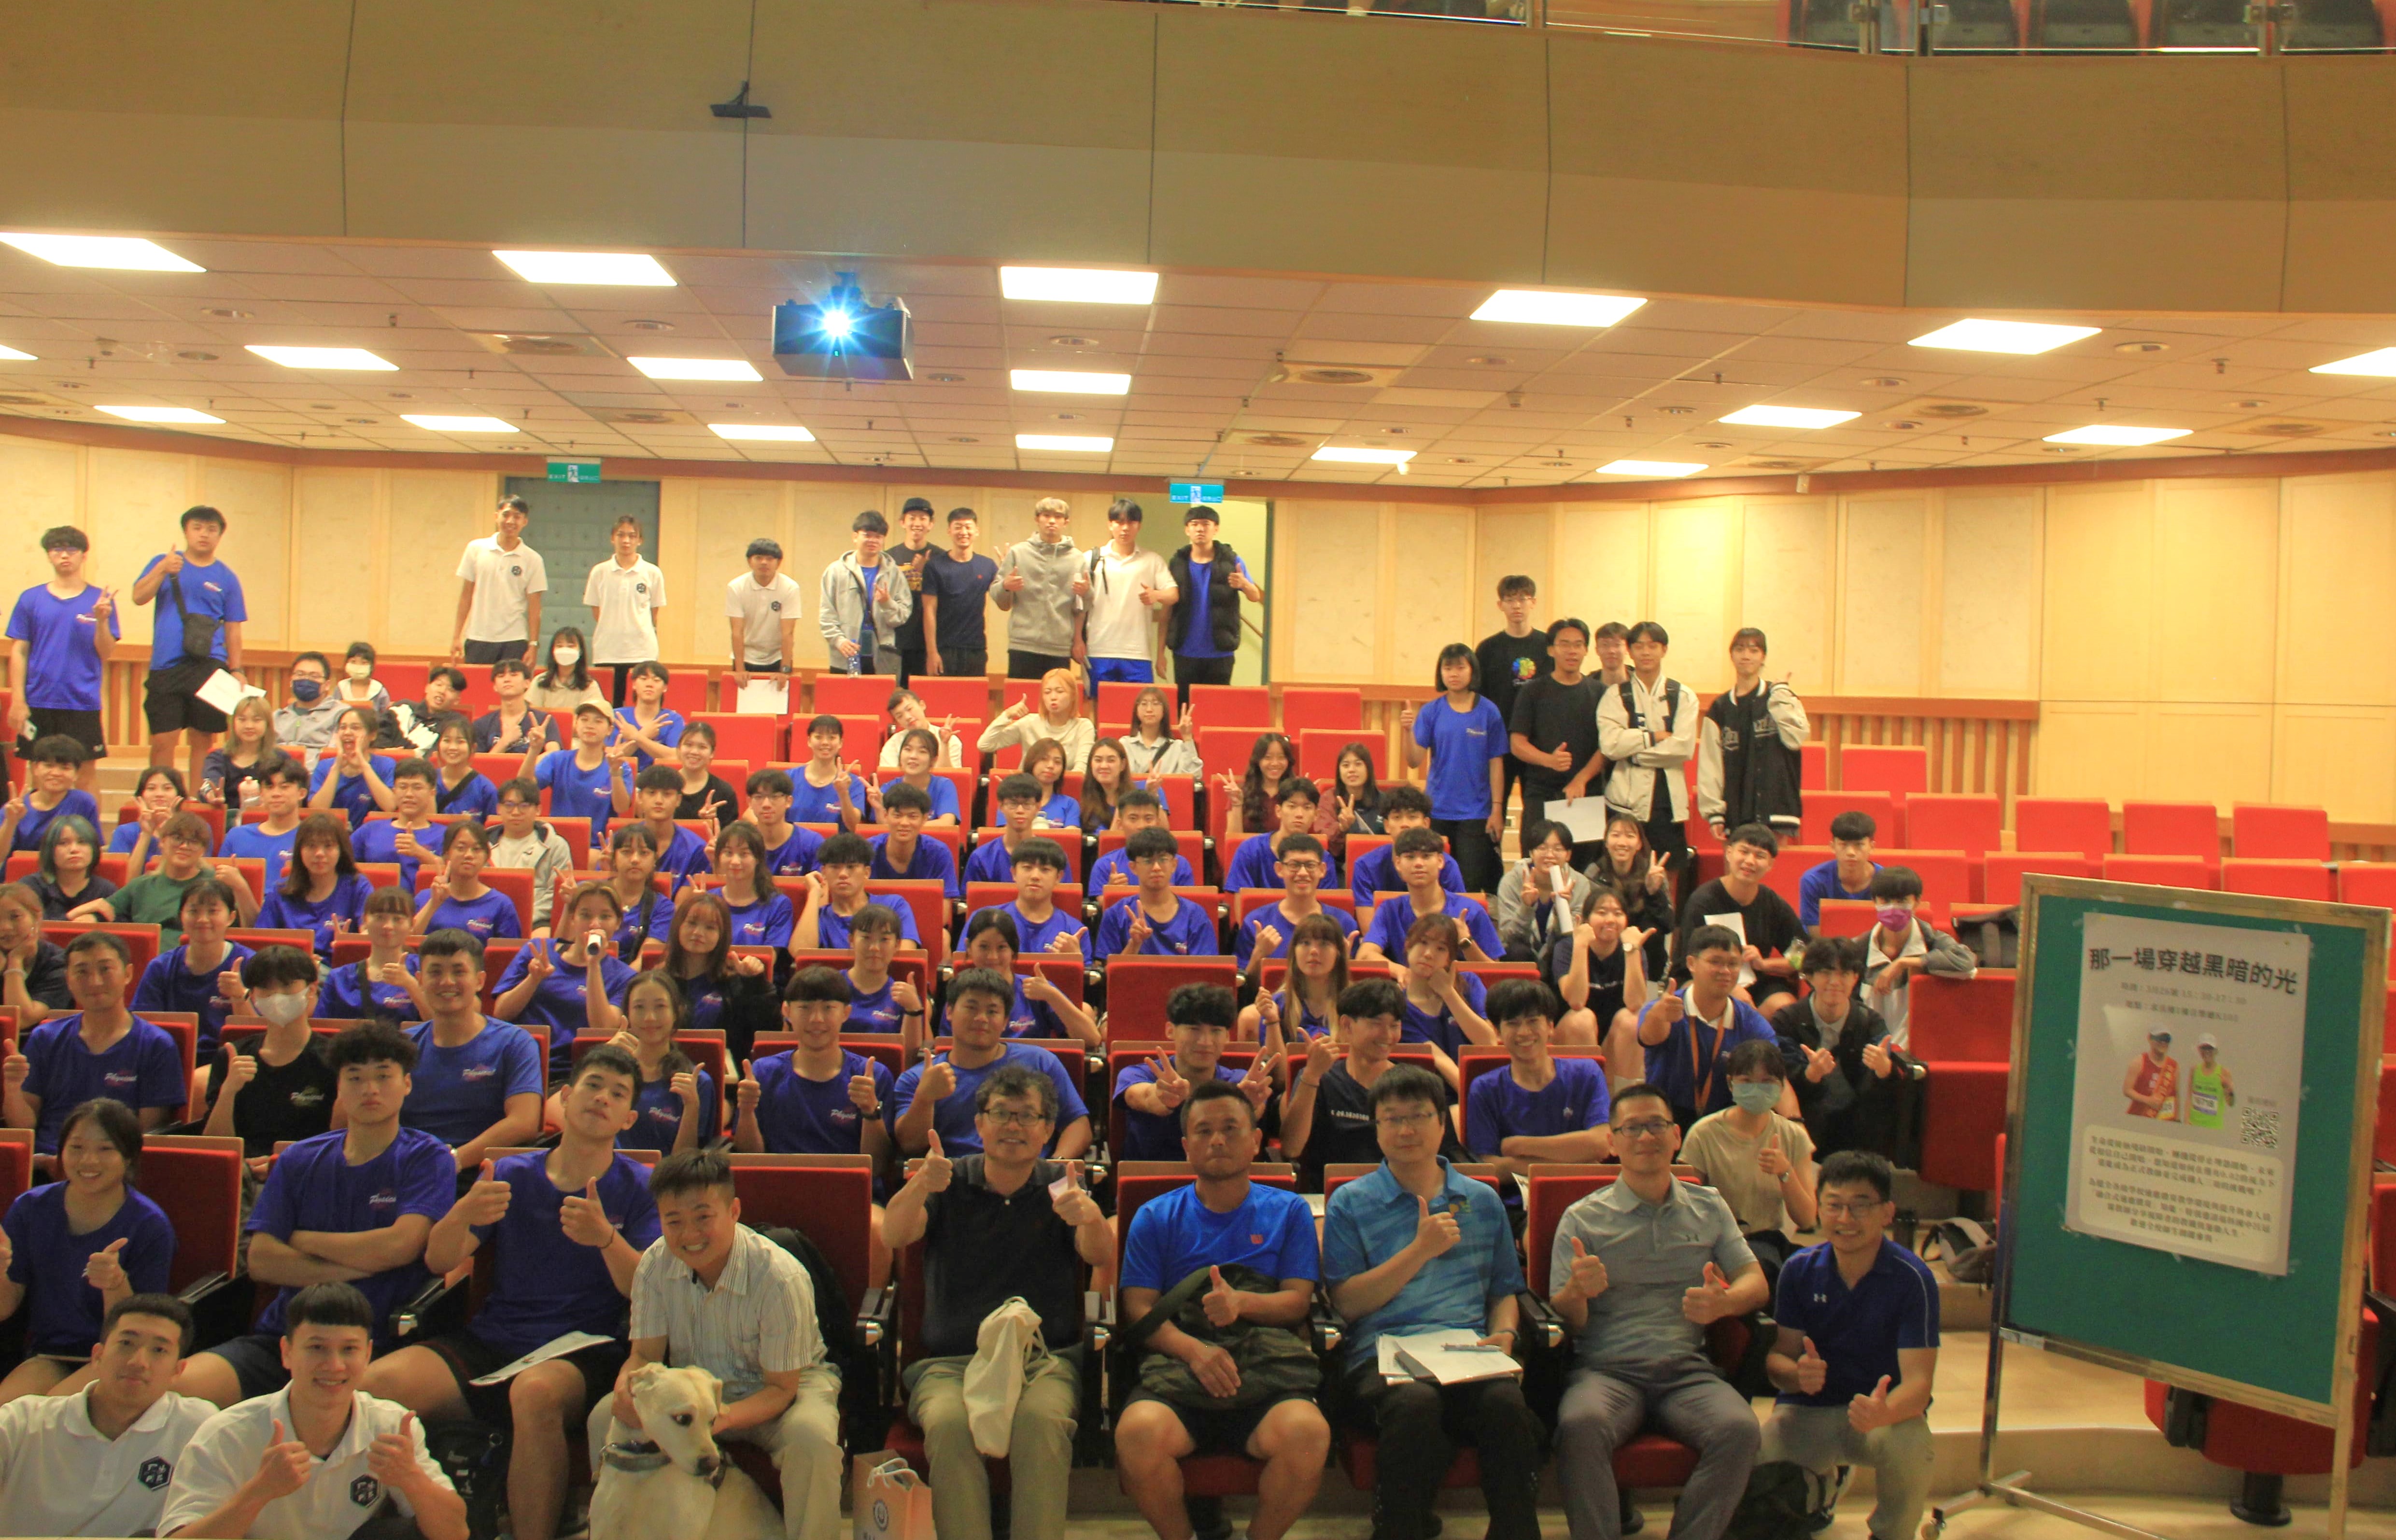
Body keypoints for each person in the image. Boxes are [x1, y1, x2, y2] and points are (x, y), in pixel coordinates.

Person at [365, 1046, 659, 1540]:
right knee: (374, 1384)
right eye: (593, 1085)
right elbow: (439, 1260)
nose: (601, 1098)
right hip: (495, 1339)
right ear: (566, 1098)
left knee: (534, 1393)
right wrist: (462, 1213)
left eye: (617, 1093)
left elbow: (646, 1290)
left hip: (584, 1348)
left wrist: (606, 1239)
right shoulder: (510, 1173)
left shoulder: (642, 1185)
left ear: (629, 1117)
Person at [882, 1065, 1111, 1540]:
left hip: (1043, 1361)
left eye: (1028, 1116)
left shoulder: (1061, 1184)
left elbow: (1100, 1256)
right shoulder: (948, 1180)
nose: (1013, 1126)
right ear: (979, 1123)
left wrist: (1090, 1218)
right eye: (1001, 1113)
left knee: (1041, 1423)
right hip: (950, 1363)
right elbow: (896, 1234)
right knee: (949, 1426)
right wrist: (920, 1184)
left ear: (1048, 1129)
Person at [175, 1022, 454, 1409]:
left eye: (383, 1076)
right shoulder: (299, 1159)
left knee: (332, 1410)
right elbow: (263, 1260)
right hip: (284, 1340)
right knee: (177, 1390)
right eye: (355, 1078)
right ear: (338, 1086)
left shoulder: (428, 1157)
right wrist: (364, 1264)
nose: (370, 1089)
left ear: (406, 1084)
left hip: (375, 1345)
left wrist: (302, 1240)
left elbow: (400, 1246)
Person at [1321, 1064, 1541, 1540]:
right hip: (1382, 1355)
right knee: (1415, 1404)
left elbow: (1504, 1289)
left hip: (1468, 1352)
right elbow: (1348, 1303)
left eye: (1419, 1116)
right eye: (1392, 1118)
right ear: (1376, 1128)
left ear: (1443, 1124)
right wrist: (1419, 1251)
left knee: (1506, 1404)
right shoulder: (1351, 1202)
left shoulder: (1482, 1199)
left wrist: (1504, 1334)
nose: (1406, 1130)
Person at [1550, 1080, 1770, 1540]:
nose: (1646, 1137)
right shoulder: (1582, 1218)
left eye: (1657, 1126)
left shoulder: (1709, 1205)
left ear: (1676, 1136)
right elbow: (1567, 1319)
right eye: (1632, 1128)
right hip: (1607, 1371)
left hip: (1686, 1371)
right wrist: (1576, 1291)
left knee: (1740, 1429)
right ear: (1612, 1142)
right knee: (1579, 1426)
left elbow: (1756, 1282)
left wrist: (1725, 1302)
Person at [589, 1148, 845, 1540]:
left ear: (734, 1211)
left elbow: (782, 1389)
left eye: (703, 1218)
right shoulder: (655, 1265)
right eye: (674, 1221)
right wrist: (627, 1389)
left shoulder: (779, 1277)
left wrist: (717, 1418)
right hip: (695, 1392)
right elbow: (644, 1355)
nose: (689, 1235)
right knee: (604, 1416)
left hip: (782, 1388)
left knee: (812, 1439)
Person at [1115, 1078, 1327, 1540]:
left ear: (1255, 1141)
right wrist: (1195, 1352)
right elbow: (1140, 1309)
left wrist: (1241, 1302)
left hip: (1265, 1367)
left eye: (1231, 1129)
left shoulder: (1289, 1211)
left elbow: (1296, 1302)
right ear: (1186, 1146)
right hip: (1179, 1368)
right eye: (1204, 1131)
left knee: (1308, 1434)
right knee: (1137, 1433)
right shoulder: (1155, 1216)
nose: (1217, 1140)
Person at [160, 1281, 465, 1540]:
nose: (334, 1366)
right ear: (287, 1352)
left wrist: (412, 1479)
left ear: (368, 1355)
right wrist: (259, 1492)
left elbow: (456, 1533)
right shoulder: (228, 1432)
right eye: (317, 1348)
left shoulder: (393, 1425)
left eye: (349, 1350)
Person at [1760, 1150, 1940, 1540]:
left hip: (1878, 1415)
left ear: (1887, 1212)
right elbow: (1779, 1358)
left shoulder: (1913, 1278)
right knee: (1764, 1453)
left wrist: (1884, 1411)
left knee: (1911, 1445)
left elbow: (1919, 1384)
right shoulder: (1799, 1270)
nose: (1845, 1219)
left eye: (1860, 1206)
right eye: (1834, 1205)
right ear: (1819, 1209)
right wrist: (1796, 1375)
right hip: (1809, 1411)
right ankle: (1818, 1496)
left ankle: (1891, 1534)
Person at [0, 1098, 174, 1402]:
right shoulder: (31, 1208)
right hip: (49, 1354)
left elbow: (141, 1330)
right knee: (8, 1413)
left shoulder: (150, 1225)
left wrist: (115, 1284)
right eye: (77, 1148)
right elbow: (5, 1307)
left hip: (116, 1358)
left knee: (54, 1415)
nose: (88, 1161)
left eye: (105, 1150)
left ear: (129, 1157)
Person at [0, 1293, 213, 1538]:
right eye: (126, 1344)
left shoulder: (198, 1426)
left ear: (178, 1370)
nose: (139, 1362)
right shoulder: (23, 1421)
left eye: (159, 1350)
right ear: (98, 1356)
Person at [4, 933, 185, 1157]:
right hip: (44, 1162)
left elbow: (146, 1136)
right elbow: (23, 1127)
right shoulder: (45, 1038)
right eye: (82, 972)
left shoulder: (156, 1045)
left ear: (128, 974)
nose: (95, 982)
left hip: (116, 1166)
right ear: (68, 979)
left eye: (105, 969)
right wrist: (13, 1088)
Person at [1280, 980, 1462, 1190]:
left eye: (1394, 1026)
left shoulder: (1416, 1084)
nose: (1388, 1036)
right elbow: (1292, 1149)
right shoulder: (1319, 1078)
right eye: (1377, 1024)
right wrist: (1312, 1076)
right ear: (1347, 1025)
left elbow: (1446, 1155)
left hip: (1404, 1194)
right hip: (1332, 1195)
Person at [890, 969, 1091, 1159]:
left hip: (1031, 1174)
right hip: (952, 1175)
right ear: (949, 1012)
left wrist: (1055, 1166)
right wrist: (925, 1098)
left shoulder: (1041, 1062)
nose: (981, 1019)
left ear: (1005, 1021)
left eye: (992, 1011)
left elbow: (1077, 1124)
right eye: (971, 1008)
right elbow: (909, 1145)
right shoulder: (918, 1078)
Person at [398, 930, 543, 1170]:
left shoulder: (515, 1042)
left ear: (480, 981)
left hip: (486, 1171)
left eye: (459, 972)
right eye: (435, 972)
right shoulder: (401, 1045)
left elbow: (523, 1123)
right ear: (420, 980)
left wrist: (452, 1160)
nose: (447, 982)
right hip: (410, 1168)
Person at [1680, 1038, 1818, 1281]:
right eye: (1747, 1081)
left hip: (1765, 1242)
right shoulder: (1703, 1134)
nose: (1756, 1089)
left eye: (1767, 1082)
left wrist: (1785, 1172)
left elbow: (1807, 1218)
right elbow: (1685, 1207)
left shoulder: (1793, 1136)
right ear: (1731, 1084)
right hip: (1714, 1241)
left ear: (1781, 1087)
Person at [131, 505, 248, 787]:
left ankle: (199, 800)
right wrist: (163, 569)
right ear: (186, 531)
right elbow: (138, 597)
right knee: (163, 738)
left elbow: (233, 628)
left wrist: (237, 669)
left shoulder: (227, 577)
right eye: (197, 528)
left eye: (211, 530)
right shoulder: (164, 562)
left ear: (220, 536)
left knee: (203, 738)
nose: (204, 535)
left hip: (210, 664)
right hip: (167, 664)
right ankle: (161, 797)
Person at [736, 964, 896, 1167]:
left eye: (828, 1008)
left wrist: (870, 1111)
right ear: (787, 1011)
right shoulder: (763, 1073)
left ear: (846, 1013)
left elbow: (879, 1166)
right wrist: (747, 1112)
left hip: (848, 1184)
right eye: (805, 1008)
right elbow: (749, 1161)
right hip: (779, 1181)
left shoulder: (872, 1076)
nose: (817, 1019)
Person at [1636, 924, 1788, 1131]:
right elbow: (1649, 1037)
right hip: (1665, 1121)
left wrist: (1795, 1122)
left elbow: (1775, 1077)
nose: (1725, 971)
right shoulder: (1664, 1009)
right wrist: (1660, 1017)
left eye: (1733, 964)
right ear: (1692, 963)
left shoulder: (1751, 1022)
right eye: (1715, 962)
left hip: (1727, 1124)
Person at [1464, 978, 1613, 1185]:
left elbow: (1601, 1144)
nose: (1524, 1032)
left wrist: (1518, 1146)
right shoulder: (1484, 1089)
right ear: (1498, 1032)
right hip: (1516, 1198)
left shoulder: (1587, 1073)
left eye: (1533, 1021)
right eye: (1513, 1024)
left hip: (1585, 1194)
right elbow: (1490, 1167)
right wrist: (1578, 1159)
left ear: (1550, 1026)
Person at [201, 946, 339, 1161]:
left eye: (287, 986)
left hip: (307, 1169)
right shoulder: (231, 1056)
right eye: (266, 988)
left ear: (311, 990)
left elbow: (341, 1141)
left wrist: (279, 1164)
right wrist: (228, 1092)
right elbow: (214, 1150)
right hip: (244, 1172)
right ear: (253, 995)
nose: (277, 997)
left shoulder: (335, 1060)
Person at [7, 525, 117, 792]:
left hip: (82, 702)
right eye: (58, 550)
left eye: (72, 550)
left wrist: (102, 621)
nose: (65, 556)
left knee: (85, 774)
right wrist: (18, 701)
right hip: (39, 700)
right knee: (40, 773)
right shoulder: (31, 599)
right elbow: (19, 651)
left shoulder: (100, 600)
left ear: (83, 556)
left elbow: (106, 652)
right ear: (49, 555)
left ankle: (86, 822)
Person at [493, 882, 639, 1080]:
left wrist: (593, 965)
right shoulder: (538, 950)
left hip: (575, 1072)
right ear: (573, 918)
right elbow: (501, 1013)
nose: (595, 924)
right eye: (586, 915)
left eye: (605, 917)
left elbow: (603, 1031)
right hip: (521, 1062)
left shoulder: (625, 976)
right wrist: (533, 980)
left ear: (618, 923)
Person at [1774, 938, 1902, 1161]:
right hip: (1805, 1123)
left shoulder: (1870, 1022)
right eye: (1826, 973)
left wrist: (1884, 1072)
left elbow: (1880, 1094)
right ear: (1809, 976)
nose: (1835, 982)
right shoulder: (1786, 1021)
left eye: (1844, 974)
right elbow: (1779, 1083)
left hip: (1857, 1128)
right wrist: (1809, 1076)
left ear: (1856, 978)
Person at [1596, 620, 1697, 901]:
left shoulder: (1683, 696)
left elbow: (1683, 748)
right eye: (1639, 646)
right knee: (1621, 871)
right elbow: (1611, 745)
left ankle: (1664, 926)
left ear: (1664, 650)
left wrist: (1635, 753)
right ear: (1630, 651)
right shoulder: (1616, 695)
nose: (1646, 652)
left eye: (1653, 646)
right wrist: (1653, 737)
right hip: (1624, 800)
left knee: (1668, 872)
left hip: (1667, 799)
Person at [1112, 984, 1268, 1161]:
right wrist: (1162, 1097)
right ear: (1170, 1031)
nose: (1205, 1042)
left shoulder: (1238, 1081)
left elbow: (1255, 1108)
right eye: (1194, 1030)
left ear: (1227, 1037)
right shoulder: (1136, 1074)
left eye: (1216, 1031)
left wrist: (1247, 1107)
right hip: (1151, 1176)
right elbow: (1143, 1096)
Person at [1402, 644, 1506, 894]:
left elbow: (1496, 763)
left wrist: (1497, 809)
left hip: (1476, 812)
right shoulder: (1431, 711)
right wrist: (1407, 731)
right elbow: (1414, 761)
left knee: (1470, 885)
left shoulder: (1489, 712)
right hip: (1438, 809)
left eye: (1460, 667)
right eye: (1448, 668)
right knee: (1438, 882)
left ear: (1473, 671)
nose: (1454, 674)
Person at [1674, 823, 1802, 1016]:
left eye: (1760, 856)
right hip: (1705, 977)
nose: (1750, 861)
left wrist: (1765, 964)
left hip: (1755, 980)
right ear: (1729, 853)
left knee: (1784, 1007)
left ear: (1770, 864)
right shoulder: (1703, 901)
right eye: (1744, 852)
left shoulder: (1772, 902)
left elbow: (1804, 955)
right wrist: (1731, 988)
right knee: (1731, 1004)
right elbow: (1691, 961)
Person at [1699, 628, 1807, 844]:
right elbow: (1710, 765)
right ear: (1731, 655)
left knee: (1772, 864)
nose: (1746, 656)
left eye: (1754, 650)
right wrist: (1714, 812)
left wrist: (1781, 693)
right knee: (1736, 864)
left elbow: (1796, 738)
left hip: (1776, 807)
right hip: (1736, 808)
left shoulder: (1780, 696)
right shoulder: (1720, 709)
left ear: (1763, 657)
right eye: (1740, 649)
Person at [1509, 617, 1603, 854]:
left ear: (1586, 650)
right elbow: (1517, 744)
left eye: (1578, 645)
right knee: (1538, 861)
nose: (1572, 651)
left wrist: (1581, 779)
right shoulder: (1532, 691)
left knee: (1586, 866)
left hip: (1586, 793)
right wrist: (1549, 760)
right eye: (1564, 644)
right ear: (1551, 650)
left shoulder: (1600, 693)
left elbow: (1608, 747)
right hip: (1541, 792)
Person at [1859, 867, 1978, 1049]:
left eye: (1902, 901)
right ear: (1875, 902)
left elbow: (1966, 961)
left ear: (1917, 902)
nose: (1893, 908)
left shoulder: (1932, 940)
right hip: (1870, 1050)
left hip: (1921, 1049)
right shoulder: (1859, 948)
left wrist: (1905, 963)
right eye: (1886, 901)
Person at [132, 879, 252, 1053]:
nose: (203, 920)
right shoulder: (161, 967)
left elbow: (260, 1036)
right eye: (194, 911)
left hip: (229, 1058)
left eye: (213, 911)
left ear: (231, 917)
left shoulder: (249, 963)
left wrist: (240, 997)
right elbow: (142, 1027)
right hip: (171, 1057)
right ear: (181, 916)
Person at [1356, 827, 1502, 966]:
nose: (1419, 864)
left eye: (1426, 856)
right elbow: (1364, 956)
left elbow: (1493, 972)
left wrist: (1466, 943)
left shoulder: (1470, 911)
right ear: (1398, 864)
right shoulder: (1389, 910)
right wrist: (1402, 972)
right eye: (1410, 857)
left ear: (1440, 861)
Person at [1163, 505, 1262, 706]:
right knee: (1185, 708)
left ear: (1216, 529)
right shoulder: (1177, 563)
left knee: (1217, 709)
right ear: (1187, 530)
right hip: (1185, 650)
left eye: (1206, 524)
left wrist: (1244, 584)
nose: (1200, 529)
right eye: (1194, 524)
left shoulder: (1232, 561)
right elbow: (1169, 607)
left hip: (1220, 652)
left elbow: (1255, 596)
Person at [75, 813, 229, 942]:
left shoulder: (215, 884)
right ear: (162, 842)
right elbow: (104, 911)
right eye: (177, 838)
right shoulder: (142, 885)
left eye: (193, 842)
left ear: (203, 850)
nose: (184, 846)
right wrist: (92, 917)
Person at [659, 892, 778, 1056]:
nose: (698, 933)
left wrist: (756, 984)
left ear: (722, 936)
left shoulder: (735, 982)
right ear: (678, 926)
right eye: (692, 923)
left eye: (710, 927)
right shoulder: (658, 981)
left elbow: (769, 1029)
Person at [957, 910, 1099, 1048]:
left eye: (1001, 947)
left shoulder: (1038, 990)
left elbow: (1092, 1040)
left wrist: (1052, 996)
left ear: (1013, 950)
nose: (993, 957)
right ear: (969, 948)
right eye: (984, 947)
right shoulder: (959, 993)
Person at [1557, 885, 1655, 1069]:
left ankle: (1622, 1088)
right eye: (1602, 913)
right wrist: (1581, 946)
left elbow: (1635, 1004)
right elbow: (1576, 1001)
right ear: (1585, 919)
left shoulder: (1632, 948)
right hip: (1570, 1034)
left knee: (1632, 1021)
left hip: (1613, 1037)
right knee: (1582, 1019)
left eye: (1618, 914)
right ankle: (1584, 1087)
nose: (1610, 920)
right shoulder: (1567, 947)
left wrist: (1632, 951)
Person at [1080, 497, 1176, 686]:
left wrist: (1156, 595)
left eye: (1131, 522)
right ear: (1110, 525)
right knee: (1099, 701)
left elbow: (1173, 594)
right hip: (1099, 648)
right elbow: (1078, 605)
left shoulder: (1152, 560)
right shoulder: (1091, 558)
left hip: (1138, 652)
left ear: (1139, 526)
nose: (1125, 528)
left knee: (1140, 702)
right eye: (1119, 522)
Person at [1478, 574, 1548, 829]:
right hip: (1498, 741)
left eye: (1523, 599)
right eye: (1510, 600)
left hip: (1538, 742)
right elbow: (1478, 698)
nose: (1517, 605)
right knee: (1492, 810)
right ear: (1500, 605)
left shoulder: (1547, 646)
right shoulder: (1487, 649)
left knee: (1537, 814)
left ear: (1533, 603)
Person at [1235, 832, 1356, 973]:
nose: (1303, 873)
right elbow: (1243, 984)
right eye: (1294, 865)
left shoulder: (1343, 922)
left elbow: (1355, 984)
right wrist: (1259, 954)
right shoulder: (1257, 922)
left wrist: (1344, 962)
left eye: (1310, 865)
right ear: (1279, 869)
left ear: (1322, 870)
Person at [993, 495, 1085, 679]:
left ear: (1066, 522)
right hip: (1022, 645)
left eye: (1058, 517)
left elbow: (1082, 606)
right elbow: (1001, 601)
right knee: (1022, 697)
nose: (1052, 521)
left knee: (1057, 696)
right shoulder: (1018, 553)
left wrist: (1087, 593)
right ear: (1037, 519)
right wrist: (1005, 586)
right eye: (1046, 515)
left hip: (1059, 648)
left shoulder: (1077, 558)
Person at [256, 816, 372, 960]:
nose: (319, 854)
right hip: (292, 968)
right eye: (311, 846)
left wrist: (351, 944)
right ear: (299, 851)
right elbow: (262, 945)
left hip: (340, 968)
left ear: (341, 850)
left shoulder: (358, 886)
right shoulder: (280, 892)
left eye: (328, 846)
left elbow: (370, 933)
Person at [452, 492, 547, 667]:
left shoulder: (533, 559)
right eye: (506, 515)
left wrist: (533, 645)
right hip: (478, 637)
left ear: (525, 522)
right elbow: (466, 596)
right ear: (496, 517)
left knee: (512, 684)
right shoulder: (476, 549)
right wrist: (457, 636)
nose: (511, 521)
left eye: (517, 517)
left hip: (515, 639)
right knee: (477, 684)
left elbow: (535, 606)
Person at [958, 835, 1086, 963]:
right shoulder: (983, 922)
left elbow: (1082, 975)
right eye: (1027, 868)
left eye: (1045, 870)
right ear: (1014, 873)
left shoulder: (1075, 931)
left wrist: (1074, 960)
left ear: (1059, 877)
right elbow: (965, 968)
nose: (1035, 876)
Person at [526, 701, 635, 852]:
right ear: (576, 725)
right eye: (584, 720)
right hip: (554, 845)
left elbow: (621, 807)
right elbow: (525, 787)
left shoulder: (621, 766)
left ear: (610, 730)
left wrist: (615, 772)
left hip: (597, 847)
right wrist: (534, 750)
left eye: (598, 721)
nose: (590, 726)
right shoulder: (557, 760)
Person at [584, 516, 667, 706]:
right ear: (612, 538)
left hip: (642, 652)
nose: (626, 541)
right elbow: (597, 612)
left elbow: (654, 613)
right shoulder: (599, 572)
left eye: (632, 536)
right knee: (607, 707)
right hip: (607, 651)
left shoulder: (652, 573)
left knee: (640, 706)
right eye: (621, 535)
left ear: (640, 540)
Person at [820, 509, 914, 676]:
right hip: (846, 652)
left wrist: (887, 603)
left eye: (878, 537)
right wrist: (839, 641)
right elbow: (827, 615)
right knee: (846, 693)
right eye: (868, 535)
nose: (873, 540)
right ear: (855, 537)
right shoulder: (836, 572)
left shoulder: (894, 573)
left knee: (879, 693)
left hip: (881, 654)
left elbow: (902, 616)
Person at [793, 833, 922, 952]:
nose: (843, 874)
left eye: (851, 867)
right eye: (835, 867)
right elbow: (799, 952)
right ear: (824, 873)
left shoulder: (894, 905)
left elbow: (906, 954)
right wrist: (814, 894)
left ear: (867, 872)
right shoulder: (819, 917)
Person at [1241, 911, 1350, 1046]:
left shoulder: (1354, 1005)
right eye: (1305, 943)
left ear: (1338, 953)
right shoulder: (1277, 1005)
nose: (1314, 951)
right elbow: (1274, 1060)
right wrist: (1273, 1020)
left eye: (1324, 944)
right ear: (1294, 952)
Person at [1496, 817, 1595, 964]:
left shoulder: (1579, 884)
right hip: (1523, 951)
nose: (1550, 855)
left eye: (1558, 849)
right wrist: (1526, 907)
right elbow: (1508, 937)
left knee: (1566, 948)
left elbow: (1573, 936)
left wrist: (1562, 908)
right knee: (1516, 951)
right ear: (1531, 853)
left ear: (1568, 855)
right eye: (1542, 848)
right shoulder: (1512, 881)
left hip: (1559, 951)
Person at [1348, 786, 1462, 908]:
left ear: (1426, 824)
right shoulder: (1365, 866)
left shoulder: (1446, 865)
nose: (1405, 825)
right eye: (1397, 817)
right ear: (1387, 825)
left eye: (1412, 817)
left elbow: (1459, 910)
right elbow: (1367, 919)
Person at [488, 778, 576, 934]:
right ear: (499, 809)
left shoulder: (556, 845)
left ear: (538, 810)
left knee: (541, 941)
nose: (516, 812)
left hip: (536, 921)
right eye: (509, 805)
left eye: (524, 806)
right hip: (489, 917)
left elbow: (555, 894)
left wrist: (523, 917)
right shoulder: (481, 846)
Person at [350, 758, 451, 895]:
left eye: (417, 788)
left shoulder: (446, 835)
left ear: (432, 792)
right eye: (403, 787)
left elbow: (453, 876)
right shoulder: (370, 830)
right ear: (395, 791)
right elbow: (344, 865)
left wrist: (420, 852)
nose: (409, 794)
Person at [919, 505, 998, 679]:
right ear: (949, 531)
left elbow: (1004, 603)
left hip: (976, 649)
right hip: (944, 649)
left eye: (968, 527)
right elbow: (929, 611)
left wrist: (1007, 579)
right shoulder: (935, 566)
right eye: (958, 527)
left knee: (974, 697)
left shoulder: (988, 566)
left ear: (977, 531)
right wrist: (932, 653)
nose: (964, 532)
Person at [1225, 778, 1334, 892]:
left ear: (1316, 815)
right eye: (1292, 806)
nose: (1299, 814)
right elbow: (1240, 899)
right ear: (1278, 811)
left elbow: (1326, 901)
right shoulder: (1250, 850)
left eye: (1307, 808)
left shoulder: (1324, 859)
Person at [978, 667, 1094, 771]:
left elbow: (1081, 771)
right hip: (1027, 786)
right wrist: (1007, 715)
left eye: (1060, 692)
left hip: (1064, 786)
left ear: (1073, 695)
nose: (1053, 697)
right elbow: (985, 745)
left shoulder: (1083, 727)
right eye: (1047, 692)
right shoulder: (1029, 723)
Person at [0, 736, 99, 855]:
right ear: (35, 768)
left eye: (65, 768)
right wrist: (10, 822)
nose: (56, 773)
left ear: (77, 774)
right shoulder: (15, 808)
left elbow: (93, 850)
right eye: (49, 766)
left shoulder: (84, 803)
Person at [218, 758, 306, 891]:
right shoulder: (237, 835)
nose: (276, 794)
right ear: (261, 794)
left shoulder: (310, 838)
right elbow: (219, 887)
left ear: (302, 793)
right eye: (269, 787)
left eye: (284, 787)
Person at [726, 536, 802, 688]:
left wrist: (785, 671)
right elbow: (737, 632)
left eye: (770, 559)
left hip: (777, 657)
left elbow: (788, 633)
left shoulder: (790, 588)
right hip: (746, 656)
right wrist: (740, 670)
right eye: (759, 558)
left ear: (779, 563)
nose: (764, 563)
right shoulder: (736, 587)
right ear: (750, 561)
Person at [303, 708, 395, 829]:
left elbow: (390, 806)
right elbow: (317, 811)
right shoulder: (324, 766)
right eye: (343, 728)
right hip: (331, 833)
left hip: (372, 833)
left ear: (372, 735)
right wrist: (337, 768)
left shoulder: (386, 765)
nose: (347, 733)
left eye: (355, 728)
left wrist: (364, 765)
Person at [870, 782, 960, 900]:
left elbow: (943, 907)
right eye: (897, 816)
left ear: (924, 819)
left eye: (912, 817)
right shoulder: (868, 851)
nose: (904, 823)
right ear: (886, 815)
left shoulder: (939, 853)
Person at [18, 814, 113, 922]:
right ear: (50, 850)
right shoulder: (30, 887)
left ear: (94, 849)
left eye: (82, 842)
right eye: (63, 843)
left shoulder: (106, 890)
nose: (74, 850)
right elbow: (32, 927)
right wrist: (77, 913)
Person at [1797, 811, 1881, 931]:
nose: (1851, 852)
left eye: (1859, 845)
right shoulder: (1813, 881)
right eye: (1843, 845)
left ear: (1872, 847)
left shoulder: (1885, 882)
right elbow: (1814, 930)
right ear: (1833, 846)